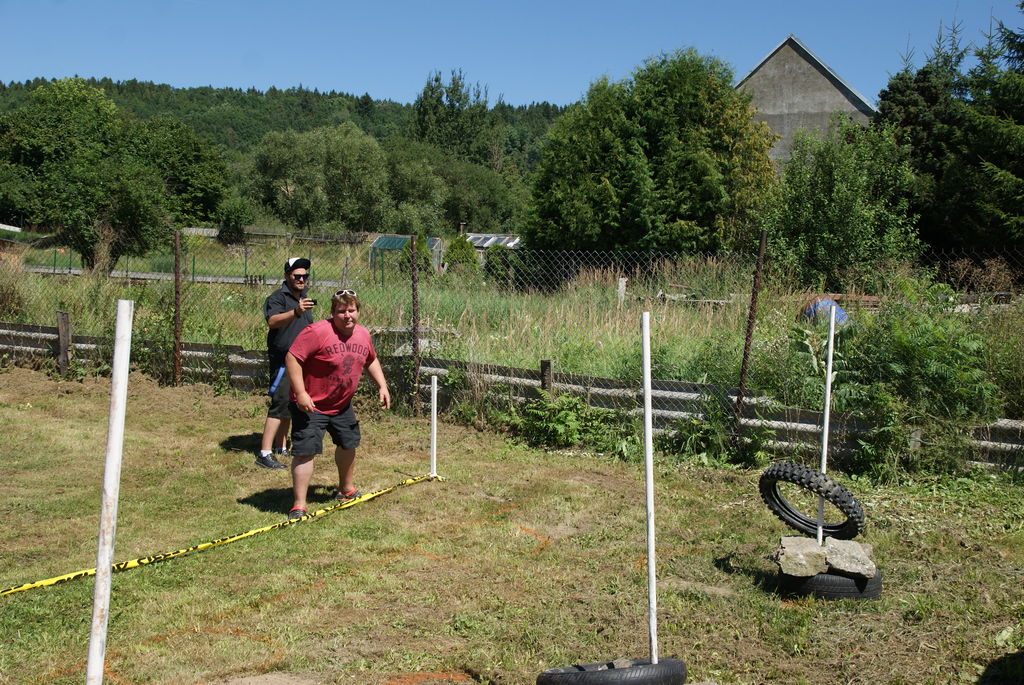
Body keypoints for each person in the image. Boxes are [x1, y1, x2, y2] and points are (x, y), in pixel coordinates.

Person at [284, 289, 391, 519]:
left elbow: (371, 360)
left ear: (358, 311)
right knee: (305, 452)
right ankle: (299, 505)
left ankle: (346, 489)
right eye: (341, 311)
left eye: (351, 310)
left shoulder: (363, 334)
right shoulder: (317, 332)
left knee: (348, 443)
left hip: (341, 404)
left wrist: (382, 386)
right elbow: (292, 357)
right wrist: (301, 393)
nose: (347, 316)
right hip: (311, 405)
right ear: (333, 312)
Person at [257, 257, 316, 470]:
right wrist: (296, 312)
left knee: (291, 404)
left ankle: (281, 447)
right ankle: (264, 453)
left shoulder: (304, 299)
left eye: (305, 276)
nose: (301, 279)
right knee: (280, 403)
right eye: (297, 275)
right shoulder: (277, 298)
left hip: (301, 361)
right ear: (286, 276)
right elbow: (272, 321)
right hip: (283, 360)